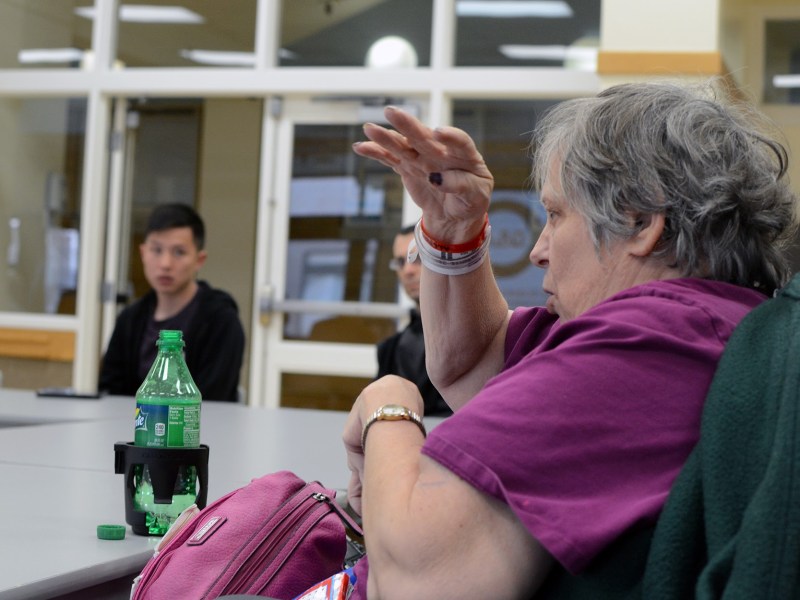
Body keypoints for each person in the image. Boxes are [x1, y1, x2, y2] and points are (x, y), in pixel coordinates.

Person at [340, 79, 798, 598]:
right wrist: (454, 230)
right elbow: (474, 366)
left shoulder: (646, 346)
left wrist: (390, 404)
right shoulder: (699, 324)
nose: (538, 251)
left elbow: (417, 576)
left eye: (555, 215)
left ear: (642, 221)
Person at [99, 203, 245, 402]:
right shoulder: (129, 319)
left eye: (179, 252)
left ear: (199, 260)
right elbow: (111, 392)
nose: (165, 264)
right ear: (143, 253)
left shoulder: (221, 321)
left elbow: (213, 397)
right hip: (136, 427)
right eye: (156, 250)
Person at [376, 225, 452, 416]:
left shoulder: (476, 335)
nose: (407, 270)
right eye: (400, 262)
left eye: (417, 258)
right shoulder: (390, 349)